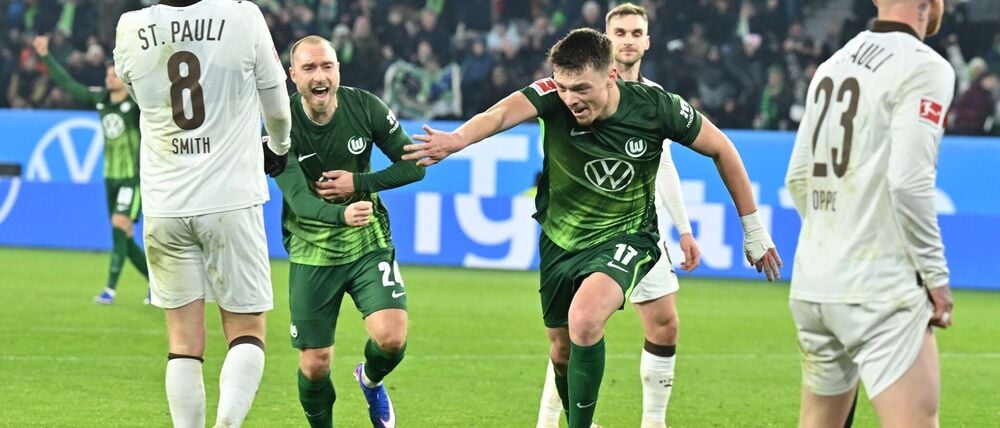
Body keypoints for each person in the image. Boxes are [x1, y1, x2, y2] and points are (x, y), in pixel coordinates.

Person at [404, 28, 781, 428]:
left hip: (627, 235)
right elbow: (500, 114)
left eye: (581, 88)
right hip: (560, 239)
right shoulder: (552, 94)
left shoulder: (657, 107)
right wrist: (458, 139)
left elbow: (722, 147)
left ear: (612, 76)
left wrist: (753, 229)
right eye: (564, 88)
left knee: (585, 318)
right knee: (561, 350)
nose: (570, 98)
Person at [113, 1, 292, 426]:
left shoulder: (130, 26)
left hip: (165, 203)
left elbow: (140, 97)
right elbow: (279, 111)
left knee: (183, 342)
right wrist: (278, 148)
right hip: (230, 197)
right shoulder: (243, 16)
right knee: (247, 329)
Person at [784, 0, 955, 426]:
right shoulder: (924, 66)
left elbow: (799, 178)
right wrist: (936, 278)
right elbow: (908, 183)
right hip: (880, 289)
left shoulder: (832, 65)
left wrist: (837, 238)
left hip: (814, 284)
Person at [534, 4, 701, 428]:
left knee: (664, 324)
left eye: (636, 32)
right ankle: (550, 418)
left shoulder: (657, 100)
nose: (628, 39)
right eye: (619, 32)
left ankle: (654, 421)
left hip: (641, 230)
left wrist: (683, 228)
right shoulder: (569, 92)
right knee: (576, 331)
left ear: (647, 41)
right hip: (586, 230)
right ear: (605, 43)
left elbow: (665, 166)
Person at [274, 35, 425, 428]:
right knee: (314, 365)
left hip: (367, 243)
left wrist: (358, 183)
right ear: (293, 76)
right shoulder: (280, 124)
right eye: (309, 68)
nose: (319, 75)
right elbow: (297, 199)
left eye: (327, 66)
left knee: (391, 340)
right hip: (312, 251)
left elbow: (414, 166)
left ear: (338, 69)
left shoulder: (365, 106)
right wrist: (340, 214)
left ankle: (370, 380)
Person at [32, 34, 150, 305]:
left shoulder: (136, 106)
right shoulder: (101, 99)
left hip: (132, 179)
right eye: (107, 74)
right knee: (124, 236)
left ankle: (110, 289)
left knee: (120, 225)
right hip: (109, 177)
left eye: (113, 75)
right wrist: (45, 55)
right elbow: (68, 85)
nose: (108, 79)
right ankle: (157, 285)